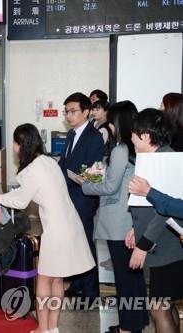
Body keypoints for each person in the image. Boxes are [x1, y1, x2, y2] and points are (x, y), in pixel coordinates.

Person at [0, 124, 95, 333]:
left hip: (56, 230)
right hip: (71, 224)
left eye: (14, 142)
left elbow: (20, 201)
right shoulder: (48, 162)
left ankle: (43, 329)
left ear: (21, 144)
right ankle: (53, 327)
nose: (13, 146)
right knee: (58, 279)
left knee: (44, 280)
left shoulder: (31, 170)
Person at [80, 101, 148, 333]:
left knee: (125, 279)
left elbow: (109, 186)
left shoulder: (121, 149)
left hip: (118, 222)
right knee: (134, 278)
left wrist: (86, 185)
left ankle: (128, 327)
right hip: (129, 220)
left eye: (111, 121)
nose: (108, 125)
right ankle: (136, 322)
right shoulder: (135, 148)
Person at [127, 108, 183, 333]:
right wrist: (134, 228)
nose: (131, 137)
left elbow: (165, 211)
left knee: (159, 308)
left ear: (146, 136)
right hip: (164, 247)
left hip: (168, 248)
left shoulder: (165, 161)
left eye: (134, 133)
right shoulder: (155, 158)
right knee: (166, 307)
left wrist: (143, 245)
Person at [58, 92, 103, 299]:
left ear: (86, 112)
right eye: (66, 111)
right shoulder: (71, 134)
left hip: (83, 198)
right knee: (73, 243)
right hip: (69, 196)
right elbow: (65, 163)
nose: (69, 115)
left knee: (84, 242)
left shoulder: (94, 137)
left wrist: (76, 178)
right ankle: (76, 285)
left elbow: (95, 172)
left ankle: (91, 291)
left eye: (73, 111)